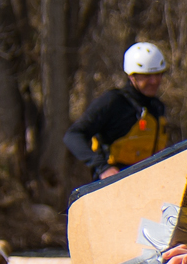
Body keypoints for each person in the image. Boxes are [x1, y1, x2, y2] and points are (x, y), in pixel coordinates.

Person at [66, 43, 173, 181]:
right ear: (131, 76)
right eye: (146, 76)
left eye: (158, 74)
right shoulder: (113, 102)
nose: (154, 81)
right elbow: (73, 135)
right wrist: (102, 167)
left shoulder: (157, 107)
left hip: (148, 184)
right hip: (114, 186)